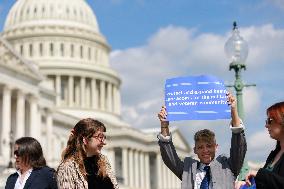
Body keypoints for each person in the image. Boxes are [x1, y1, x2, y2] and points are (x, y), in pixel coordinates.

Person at [157, 93, 247, 189]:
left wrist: (233, 109)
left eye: (209, 146)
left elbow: (238, 146)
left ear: (216, 147)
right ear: (195, 150)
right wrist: (164, 125)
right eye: (200, 147)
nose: (205, 150)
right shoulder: (187, 170)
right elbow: (170, 158)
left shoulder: (228, 167)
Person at [57, 118, 119, 189]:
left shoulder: (104, 162)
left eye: (104, 137)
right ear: (85, 140)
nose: (104, 142)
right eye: (100, 137)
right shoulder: (67, 167)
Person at [236, 101, 284, 189]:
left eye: (270, 121)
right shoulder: (274, 154)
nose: (266, 125)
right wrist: (244, 183)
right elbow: (267, 182)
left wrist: (260, 174)